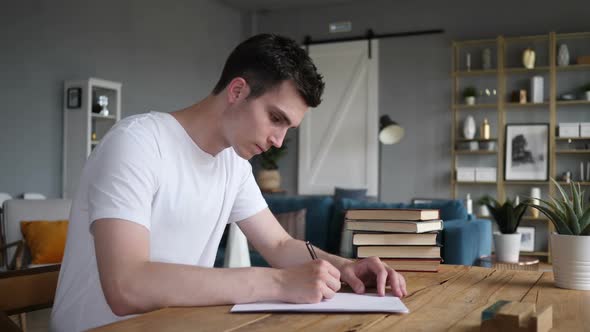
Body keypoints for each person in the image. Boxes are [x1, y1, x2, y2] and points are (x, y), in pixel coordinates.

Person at [50, 34, 407, 331]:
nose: (278, 141)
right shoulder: (138, 143)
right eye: (275, 118)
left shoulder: (233, 165)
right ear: (237, 91)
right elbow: (126, 285)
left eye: (288, 128)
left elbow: (280, 244)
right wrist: (280, 283)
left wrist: (344, 267)